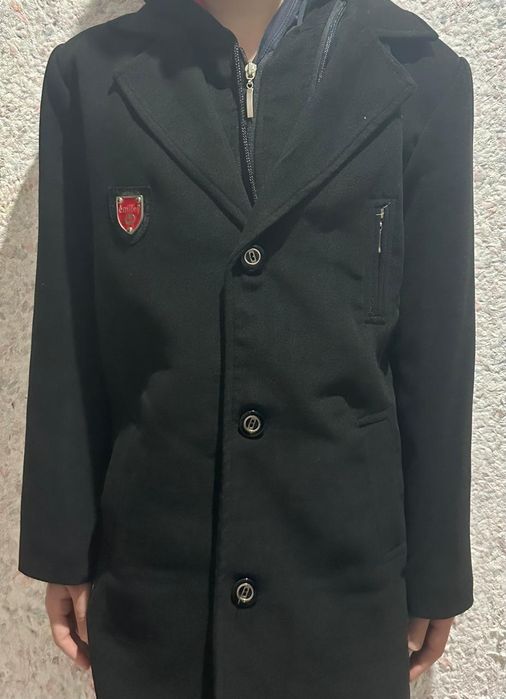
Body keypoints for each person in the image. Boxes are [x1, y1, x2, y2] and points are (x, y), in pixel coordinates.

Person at [18, 0, 475, 697]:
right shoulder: (90, 78)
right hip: (157, 585)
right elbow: (68, 326)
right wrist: (63, 542)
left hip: (344, 590)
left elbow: (436, 346)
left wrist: (437, 566)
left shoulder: (422, 72)